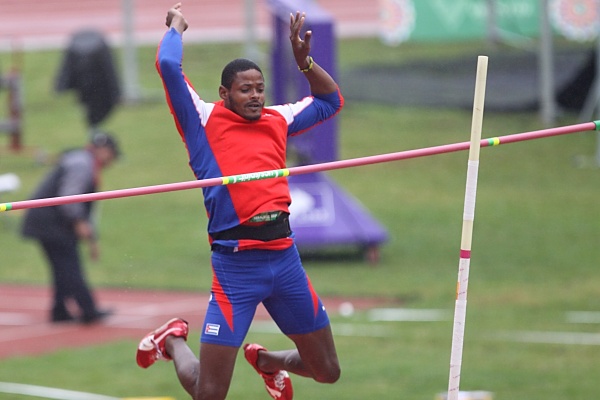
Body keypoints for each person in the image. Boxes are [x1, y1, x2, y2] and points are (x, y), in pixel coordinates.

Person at [135, 3, 344, 400]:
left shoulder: (277, 119)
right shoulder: (201, 120)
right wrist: (176, 27)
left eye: (260, 88)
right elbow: (167, 65)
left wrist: (305, 64)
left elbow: (330, 102)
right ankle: (173, 340)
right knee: (210, 395)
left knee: (327, 371)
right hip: (235, 269)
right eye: (245, 90)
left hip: (284, 260)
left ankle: (267, 362)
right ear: (224, 93)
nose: (255, 96)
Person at [21, 132, 120, 324]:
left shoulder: (83, 161)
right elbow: (69, 198)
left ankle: (60, 310)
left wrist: (91, 237)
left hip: (52, 221)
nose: (112, 160)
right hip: (50, 222)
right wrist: (79, 223)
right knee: (69, 265)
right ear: (102, 150)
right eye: (112, 153)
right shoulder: (82, 164)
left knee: (62, 267)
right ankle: (88, 310)